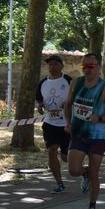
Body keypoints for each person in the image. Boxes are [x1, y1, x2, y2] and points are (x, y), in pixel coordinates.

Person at [64, 53, 105, 209]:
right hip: (78, 133)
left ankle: (92, 207)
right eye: (84, 66)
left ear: (99, 67)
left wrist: (99, 118)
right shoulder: (75, 83)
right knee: (73, 170)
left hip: (98, 136)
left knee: (95, 172)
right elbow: (68, 104)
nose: (87, 69)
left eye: (90, 66)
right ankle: (84, 174)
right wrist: (68, 123)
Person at [36, 54, 72, 193]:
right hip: (50, 123)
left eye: (55, 64)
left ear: (62, 66)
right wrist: (39, 106)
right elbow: (39, 99)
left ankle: (84, 172)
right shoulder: (43, 82)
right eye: (50, 64)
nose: (52, 67)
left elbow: (76, 97)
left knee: (65, 157)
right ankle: (59, 183)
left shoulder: (68, 81)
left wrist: (67, 104)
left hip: (66, 124)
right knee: (51, 151)